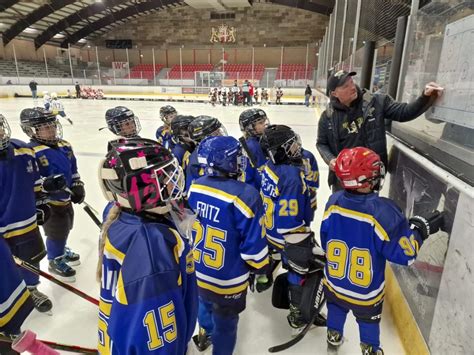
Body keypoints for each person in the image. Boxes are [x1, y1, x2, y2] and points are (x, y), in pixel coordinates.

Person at [320, 146, 444, 355]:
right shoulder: (383, 211)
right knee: (368, 322)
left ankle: (334, 337)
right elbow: (405, 255)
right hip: (366, 293)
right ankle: (369, 348)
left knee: (336, 310)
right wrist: (418, 231)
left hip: (334, 283)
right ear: (365, 181)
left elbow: (325, 240)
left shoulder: (333, 202)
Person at [97, 138, 198, 354]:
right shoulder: (153, 245)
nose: (173, 182)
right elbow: (156, 339)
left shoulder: (117, 213)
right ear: (143, 188)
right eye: (164, 177)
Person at [188, 136, 269, 354]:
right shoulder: (246, 194)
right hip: (228, 278)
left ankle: (206, 331)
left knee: (203, 303)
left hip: (198, 269)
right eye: (237, 157)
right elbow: (254, 246)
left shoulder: (194, 187)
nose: (241, 160)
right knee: (226, 324)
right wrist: (261, 268)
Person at [316, 70, 443, 191]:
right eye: (345, 86)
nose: (352, 87)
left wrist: (425, 97)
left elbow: (405, 113)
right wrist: (331, 159)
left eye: (351, 82)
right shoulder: (327, 117)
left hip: (370, 179)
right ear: (334, 93)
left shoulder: (377, 102)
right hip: (343, 180)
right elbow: (321, 143)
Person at [260, 125, 325, 331]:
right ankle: (297, 312)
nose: (297, 145)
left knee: (290, 263)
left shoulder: (270, 166)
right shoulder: (291, 176)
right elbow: (290, 220)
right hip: (288, 235)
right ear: (280, 150)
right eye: (291, 144)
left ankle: (266, 276)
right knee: (300, 269)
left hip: (271, 231)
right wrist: (303, 243)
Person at [20, 107, 85, 283]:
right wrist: (45, 184)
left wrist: (78, 185)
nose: (51, 129)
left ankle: (60, 249)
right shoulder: (31, 152)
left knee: (66, 227)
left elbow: (73, 170)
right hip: (49, 202)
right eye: (45, 127)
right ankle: (54, 259)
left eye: (52, 125)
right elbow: (29, 178)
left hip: (65, 199)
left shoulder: (65, 145)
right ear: (31, 130)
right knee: (57, 231)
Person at [0, 114, 52, 315]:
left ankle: (31, 290)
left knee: (31, 257)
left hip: (25, 220)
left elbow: (35, 180)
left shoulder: (24, 150)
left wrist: (41, 202)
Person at [185, 116, 227, 193]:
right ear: (205, 138)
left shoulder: (213, 152)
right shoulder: (197, 160)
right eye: (217, 133)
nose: (221, 134)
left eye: (219, 131)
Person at [238, 108, 270, 189]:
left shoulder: (259, 140)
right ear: (249, 127)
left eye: (264, 121)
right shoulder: (252, 146)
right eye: (260, 123)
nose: (265, 124)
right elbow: (261, 171)